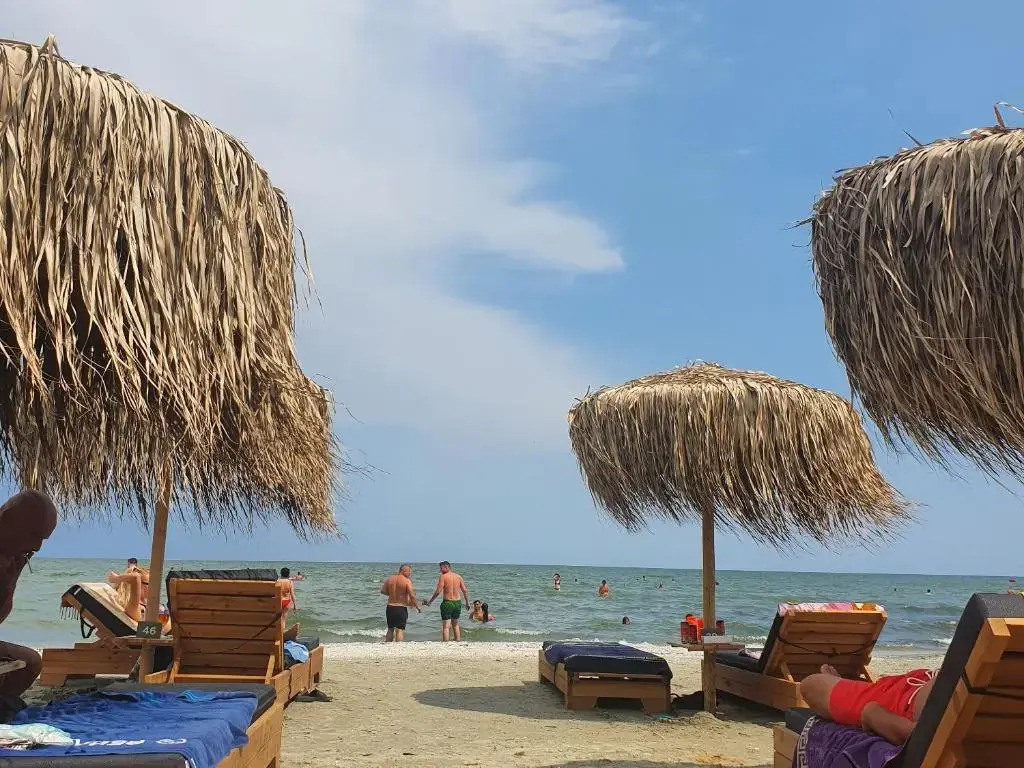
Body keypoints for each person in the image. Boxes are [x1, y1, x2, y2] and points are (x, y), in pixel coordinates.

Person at [0, 490, 58, 700]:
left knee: (30, 663)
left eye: (42, 539)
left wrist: (10, 577)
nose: (38, 547)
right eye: (34, 535)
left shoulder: (11, 558)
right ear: (7, 520)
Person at [799, 664, 935, 745]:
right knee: (877, 687)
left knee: (810, 685)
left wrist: (873, 714)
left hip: (899, 703)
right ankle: (847, 684)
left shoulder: (922, 732)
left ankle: (841, 683)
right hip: (917, 685)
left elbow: (871, 712)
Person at [424, 561, 470, 641]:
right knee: (455, 624)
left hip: (448, 603)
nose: (440, 570)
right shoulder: (459, 577)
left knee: (446, 626)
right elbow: (464, 590)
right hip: (457, 603)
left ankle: (446, 643)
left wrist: (430, 602)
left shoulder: (443, 577)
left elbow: (438, 591)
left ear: (446, 567)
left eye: (441, 568)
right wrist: (467, 602)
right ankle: (457, 641)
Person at [380, 564, 421, 642]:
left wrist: (392, 594)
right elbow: (412, 596)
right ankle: (398, 646)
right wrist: (417, 607)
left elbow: (383, 591)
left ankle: (388, 644)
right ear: (404, 571)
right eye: (409, 572)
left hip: (390, 607)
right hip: (400, 608)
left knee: (390, 629)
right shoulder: (406, 580)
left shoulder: (390, 579)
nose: (410, 574)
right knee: (399, 629)